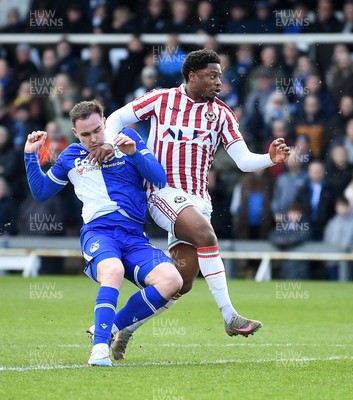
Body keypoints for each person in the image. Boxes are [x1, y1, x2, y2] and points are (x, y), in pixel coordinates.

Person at [102, 49, 291, 355]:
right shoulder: (161, 99)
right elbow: (116, 118)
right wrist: (111, 144)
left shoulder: (221, 114)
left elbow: (242, 161)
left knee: (180, 282)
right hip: (163, 193)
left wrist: (269, 159)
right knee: (206, 236)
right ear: (192, 76)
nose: (219, 82)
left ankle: (123, 329)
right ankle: (230, 316)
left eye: (220, 75)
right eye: (212, 75)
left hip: (198, 201)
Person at [23, 100, 182, 366]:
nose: (93, 139)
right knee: (114, 271)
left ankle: (108, 327)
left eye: (97, 130)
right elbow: (41, 192)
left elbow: (159, 178)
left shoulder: (127, 138)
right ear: (76, 133)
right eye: (85, 134)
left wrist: (133, 153)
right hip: (99, 233)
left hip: (133, 236)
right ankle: (98, 351)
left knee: (172, 281)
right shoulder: (71, 156)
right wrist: (30, 154)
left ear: (105, 122)